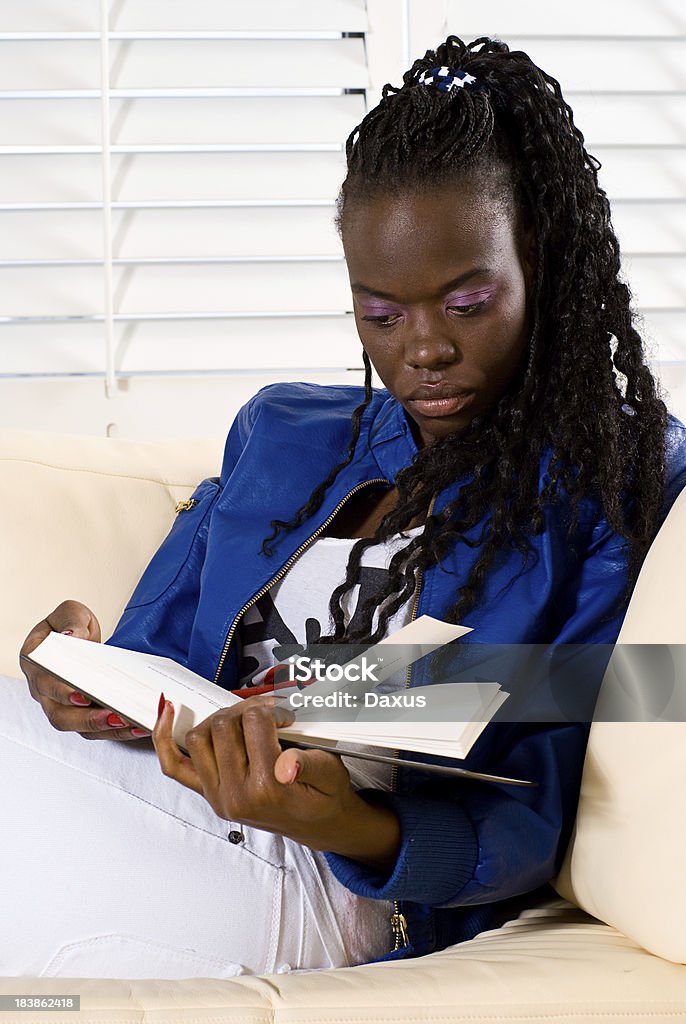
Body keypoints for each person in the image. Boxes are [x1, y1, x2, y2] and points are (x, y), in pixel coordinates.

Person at [8, 34, 686, 978]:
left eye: (467, 301)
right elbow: (151, 666)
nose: (423, 350)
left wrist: (337, 818)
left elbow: (548, 797)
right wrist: (79, 683)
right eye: (381, 314)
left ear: (540, 260)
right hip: (166, 808)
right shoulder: (282, 432)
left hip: (338, 874)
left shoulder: (613, 475)